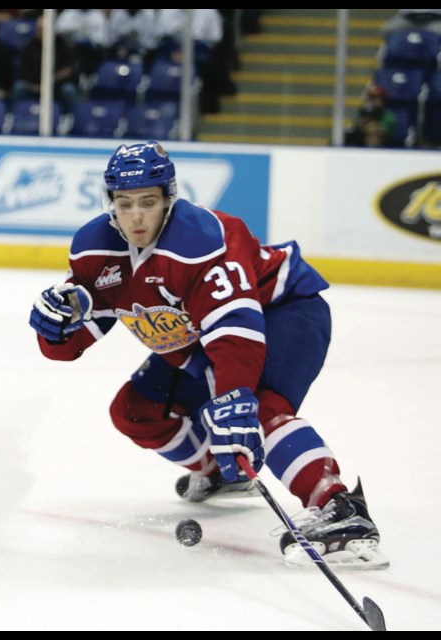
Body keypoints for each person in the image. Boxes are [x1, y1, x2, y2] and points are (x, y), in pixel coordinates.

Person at [28, 141, 388, 569]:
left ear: (169, 198)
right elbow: (69, 346)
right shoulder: (94, 249)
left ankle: (339, 506)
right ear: (110, 203)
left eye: (148, 201)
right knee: (135, 410)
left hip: (282, 314)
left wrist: (235, 397)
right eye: (125, 203)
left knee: (257, 406)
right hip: (194, 340)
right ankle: (219, 470)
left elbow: (237, 332)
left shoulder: (202, 239)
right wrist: (54, 327)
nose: (136, 215)